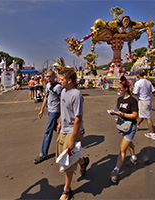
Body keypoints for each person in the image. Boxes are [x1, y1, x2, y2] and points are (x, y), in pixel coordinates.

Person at [56, 69, 90, 200]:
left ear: (69, 81)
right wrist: (59, 122)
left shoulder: (77, 95)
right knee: (67, 155)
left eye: (62, 79)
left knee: (67, 161)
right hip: (64, 128)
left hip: (73, 130)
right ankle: (83, 162)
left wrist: (73, 139)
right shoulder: (63, 92)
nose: (60, 81)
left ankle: (66, 190)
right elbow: (63, 110)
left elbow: (78, 118)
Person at [108, 82, 138, 184]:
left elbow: (135, 115)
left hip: (130, 126)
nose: (119, 90)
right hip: (123, 125)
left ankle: (116, 170)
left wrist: (123, 114)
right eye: (118, 89)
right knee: (129, 142)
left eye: (120, 88)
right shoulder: (119, 99)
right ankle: (133, 157)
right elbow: (118, 110)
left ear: (126, 88)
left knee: (122, 149)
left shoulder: (132, 101)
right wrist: (114, 112)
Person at [34, 70, 62, 164]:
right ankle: (68, 137)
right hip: (50, 110)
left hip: (55, 111)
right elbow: (46, 97)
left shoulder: (58, 87)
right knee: (55, 127)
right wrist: (42, 109)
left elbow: (62, 100)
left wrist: (62, 115)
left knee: (48, 131)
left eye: (50, 76)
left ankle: (43, 153)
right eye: (47, 77)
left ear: (54, 76)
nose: (48, 78)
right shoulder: (48, 86)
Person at [132, 69, 155, 140]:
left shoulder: (138, 83)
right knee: (142, 115)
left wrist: (130, 91)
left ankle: (152, 133)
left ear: (138, 75)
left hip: (142, 101)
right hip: (148, 100)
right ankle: (136, 126)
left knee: (147, 117)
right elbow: (153, 91)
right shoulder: (148, 82)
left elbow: (135, 93)